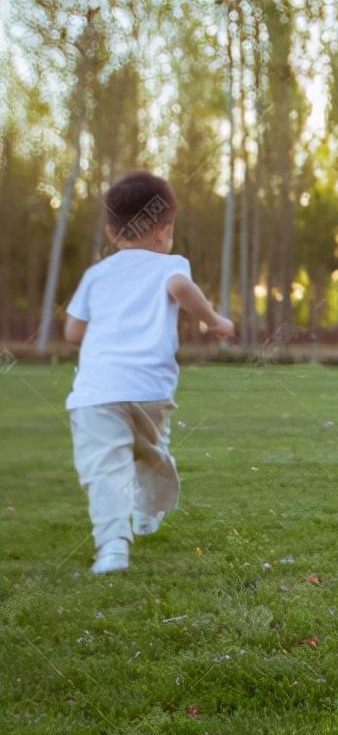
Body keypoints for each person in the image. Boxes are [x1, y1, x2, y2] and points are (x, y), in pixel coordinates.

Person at [64, 171, 235, 575]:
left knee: (105, 467)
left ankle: (113, 548)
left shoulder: (97, 274)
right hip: (149, 390)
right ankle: (147, 513)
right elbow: (180, 288)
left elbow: (73, 332)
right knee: (150, 455)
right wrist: (214, 321)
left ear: (110, 230)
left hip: (97, 391)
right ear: (165, 229)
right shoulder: (171, 264)